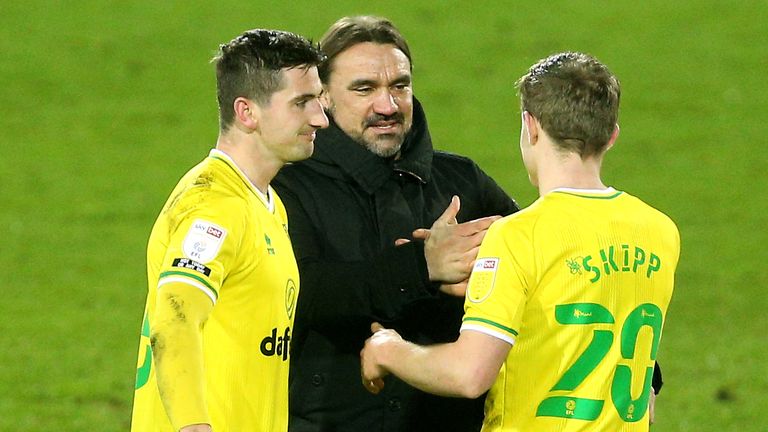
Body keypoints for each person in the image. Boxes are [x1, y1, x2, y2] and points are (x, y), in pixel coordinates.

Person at [361, 51, 679, 431]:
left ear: (531, 127)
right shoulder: (660, 231)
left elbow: (469, 374)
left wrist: (387, 350)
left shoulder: (516, 236)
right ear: (611, 136)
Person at [272, 16, 519, 432]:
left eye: (399, 86)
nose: (387, 106)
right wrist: (425, 267)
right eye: (364, 89)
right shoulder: (287, 186)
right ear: (324, 97)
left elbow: (550, 265)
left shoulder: (460, 181)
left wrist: (642, 372)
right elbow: (301, 293)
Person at [130, 29, 328, 432]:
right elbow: (175, 315)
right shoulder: (215, 206)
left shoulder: (268, 206)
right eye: (302, 103)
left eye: (319, 100)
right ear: (247, 112)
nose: (320, 119)